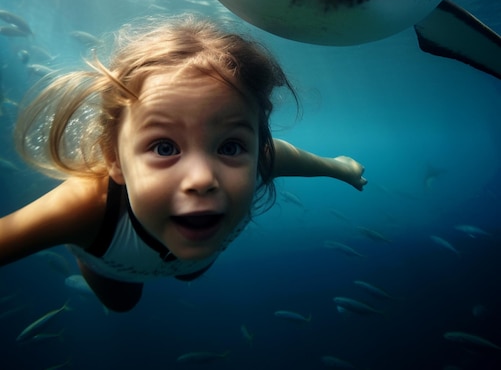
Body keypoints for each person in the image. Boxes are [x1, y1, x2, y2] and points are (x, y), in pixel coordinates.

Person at [0, 16, 366, 312]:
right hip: (112, 265)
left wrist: (344, 170)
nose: (202, 179)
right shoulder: (82, 207)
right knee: (123, 303)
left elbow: (304, 159)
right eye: (163, 147)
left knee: (192, 272)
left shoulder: (263, 160)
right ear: (115, 159)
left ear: (258, 146)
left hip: (189, 252)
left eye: (231, 146)